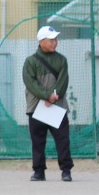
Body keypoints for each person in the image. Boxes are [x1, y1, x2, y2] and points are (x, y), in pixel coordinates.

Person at [22, 25, 73, 182]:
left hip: (56, 107)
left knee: (63, 140)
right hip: (36, 108)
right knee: (38, 141)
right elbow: (30, 83)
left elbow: (63, 81)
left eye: (56, 39)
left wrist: (54, 96)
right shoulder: (30, 61)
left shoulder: (61, 60)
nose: (55, 42)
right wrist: (47, 96)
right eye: (51, 40)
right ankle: (38, 171)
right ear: (41, 41)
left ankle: (66, 171)